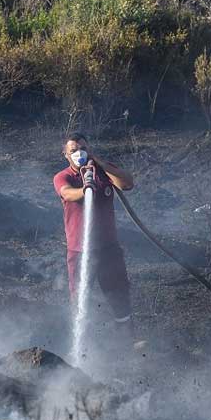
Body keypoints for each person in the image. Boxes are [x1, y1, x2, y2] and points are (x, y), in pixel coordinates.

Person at [52, 132, 140, 348]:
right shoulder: (63, 176)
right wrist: (85, 189)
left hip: (108, 248)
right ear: (66, 155)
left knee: (119, 292)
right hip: (80, 250)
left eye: (83, 148)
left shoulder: (103, 172)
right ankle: (82, 344)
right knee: (81, 297)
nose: (79, 153)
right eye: (73, 151)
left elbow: (127, 183)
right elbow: (67, 193)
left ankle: (127, 341)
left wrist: (98, 164)